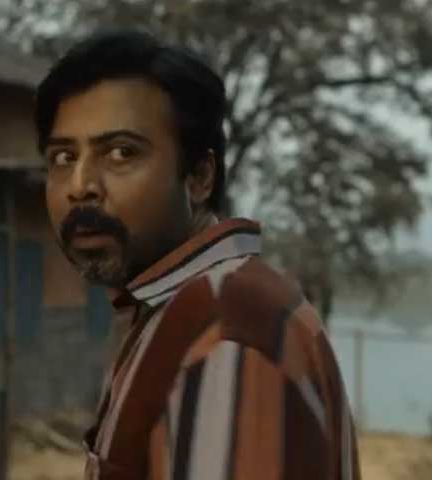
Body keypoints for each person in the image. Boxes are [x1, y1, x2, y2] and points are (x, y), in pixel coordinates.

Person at [37, 30, 360, 480]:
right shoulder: (180, 312)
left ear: (199, 177)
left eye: (121, 153)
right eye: (63, 157)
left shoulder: (225, 336)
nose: (80, 186)